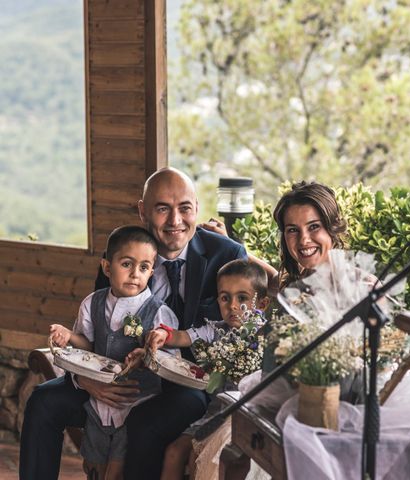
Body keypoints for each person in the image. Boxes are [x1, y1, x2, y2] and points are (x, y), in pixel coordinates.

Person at [20, 167, 248, 480]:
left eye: (184, 208)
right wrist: (87, 381)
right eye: (162, 208)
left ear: (197, 208)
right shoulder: (122, 252)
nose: (175, 221)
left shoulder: (227, 254)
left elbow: (242, 330)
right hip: (116, 377)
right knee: (44, 401)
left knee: (144, 420)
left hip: (189, 387)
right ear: (142, 211)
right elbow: (94, 332)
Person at [49, 225, 179, 480]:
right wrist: (69, 336)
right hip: (98, 403)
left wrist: (147, 355)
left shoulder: (159, 313)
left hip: (136, 403)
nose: (135, 274)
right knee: (93, 463)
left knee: (116, 468)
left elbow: (171, 363)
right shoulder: (92, 303)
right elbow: (87, 348)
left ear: (152, 272)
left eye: (143, 268)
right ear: (107, 268)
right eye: (127, 264)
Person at [139, 259, 270, 480]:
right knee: (174, 453)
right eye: (225, 298)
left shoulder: (266, 336)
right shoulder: (216, 331)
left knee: (201, 458)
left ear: (262, 304)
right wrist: (164, 334)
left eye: (243, 298)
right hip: (215, 413)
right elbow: (185, 336)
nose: (233, 306)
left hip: (246, 418)